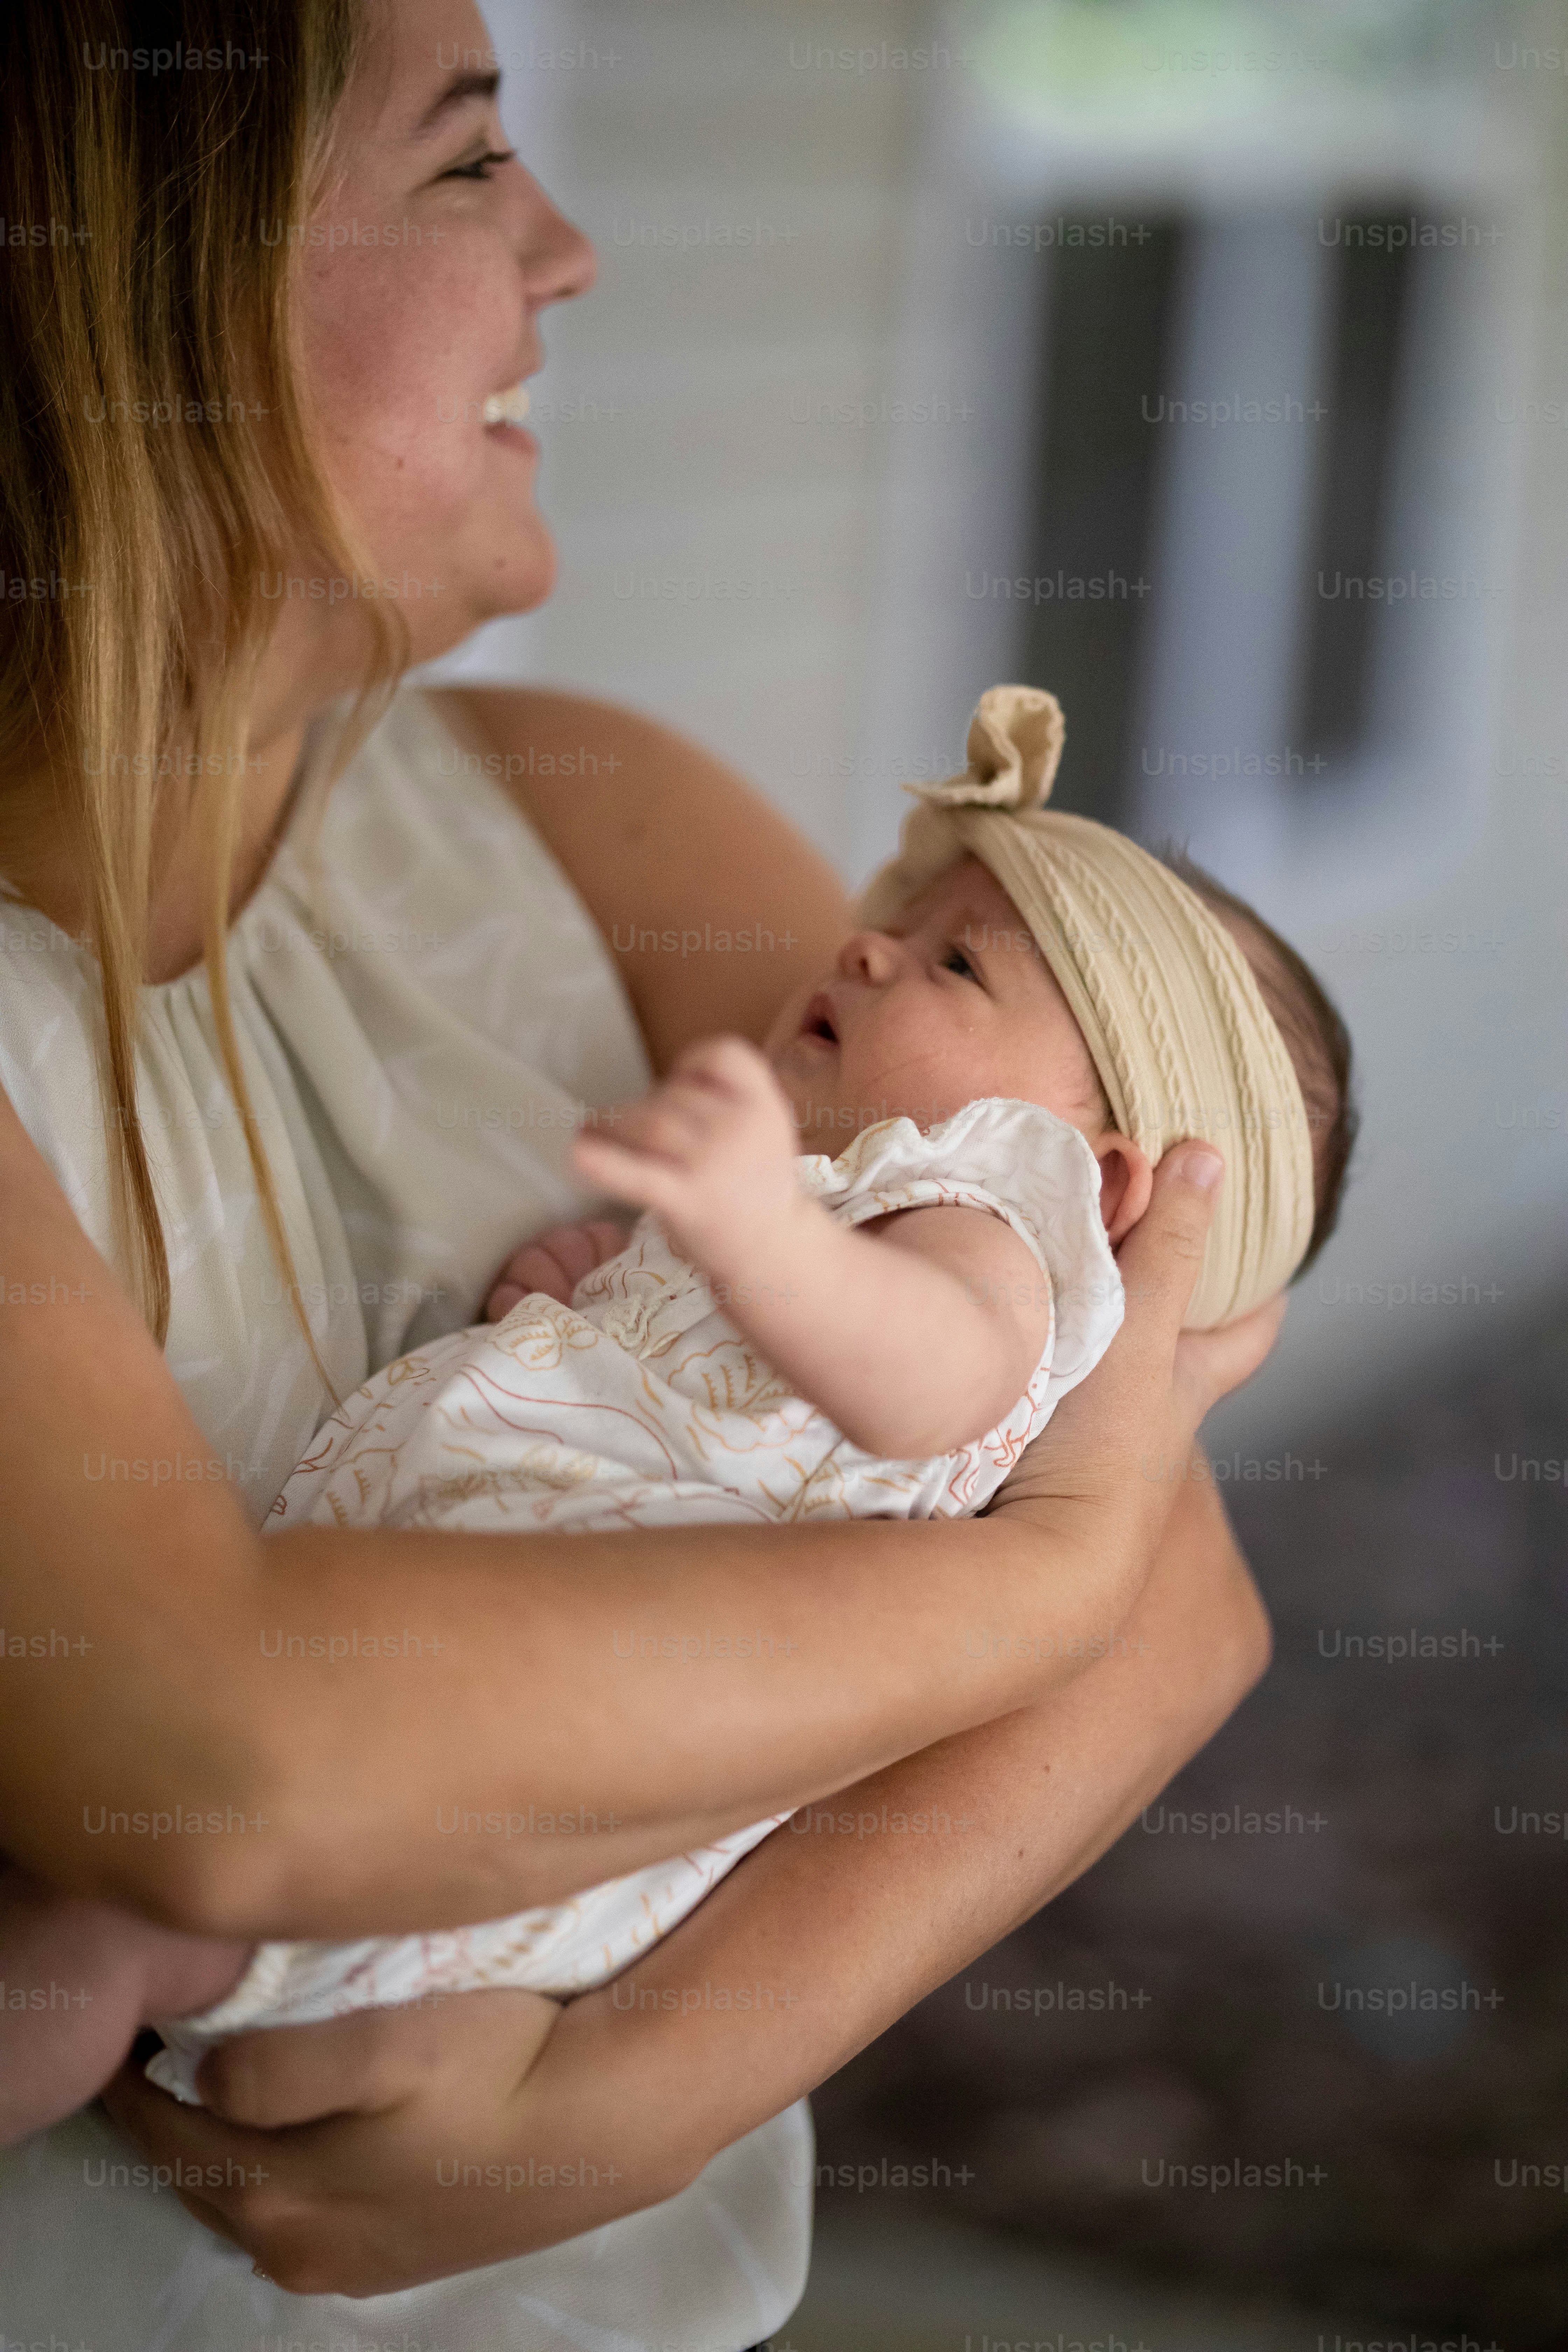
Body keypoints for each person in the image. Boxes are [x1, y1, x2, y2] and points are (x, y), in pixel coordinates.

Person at [0, 4, 1278, 2343]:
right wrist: (1054, 1569)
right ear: (122, 286)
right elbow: (216, 1773)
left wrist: (621, 2111)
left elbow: (1190, 1602)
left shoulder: (595, 821)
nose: (571, 255)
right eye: (472, 163)